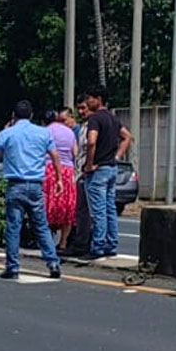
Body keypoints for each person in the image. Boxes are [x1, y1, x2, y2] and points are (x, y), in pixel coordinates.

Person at [0, 100, 63, 279]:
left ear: (14, 116)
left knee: (14, 227)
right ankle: (53, 262)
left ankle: (12, 267)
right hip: (36, 184)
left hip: (16, 184)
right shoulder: (43, 133)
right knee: (41, 226)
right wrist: (59, 178)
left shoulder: (8, 133)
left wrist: (3, 133)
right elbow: (54, 155)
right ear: (31, 115)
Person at [82, 87, 132, 260]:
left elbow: (91, 142)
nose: (87, 102)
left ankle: (98, 245)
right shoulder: (113, 118)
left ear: (99, 99)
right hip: (111, 167)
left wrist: (89, 164)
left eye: (90, 98)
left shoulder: (95, 119)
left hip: (98, 169)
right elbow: (127, 137)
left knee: (98, 210)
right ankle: (111, 243)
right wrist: (117, 156)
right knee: (110, 207)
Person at [43, 110, 77, 253]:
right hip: (68, 171)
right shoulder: (70, 132)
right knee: (67, 207)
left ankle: (48, 240)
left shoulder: (45, 132)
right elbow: (75, 152)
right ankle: (63, 242)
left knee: (48, 205)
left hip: (49, 169)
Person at [67, 97, 94, 256]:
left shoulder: (93, 125)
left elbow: (91, 145)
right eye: (80, 109)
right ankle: (81, 241)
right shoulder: (84, 126)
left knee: (87, 210)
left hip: (87, 173)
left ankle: (85, 243)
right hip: (80, 173)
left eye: (84, 108)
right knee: (81, 210)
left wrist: (90, 165)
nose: (82, 112)